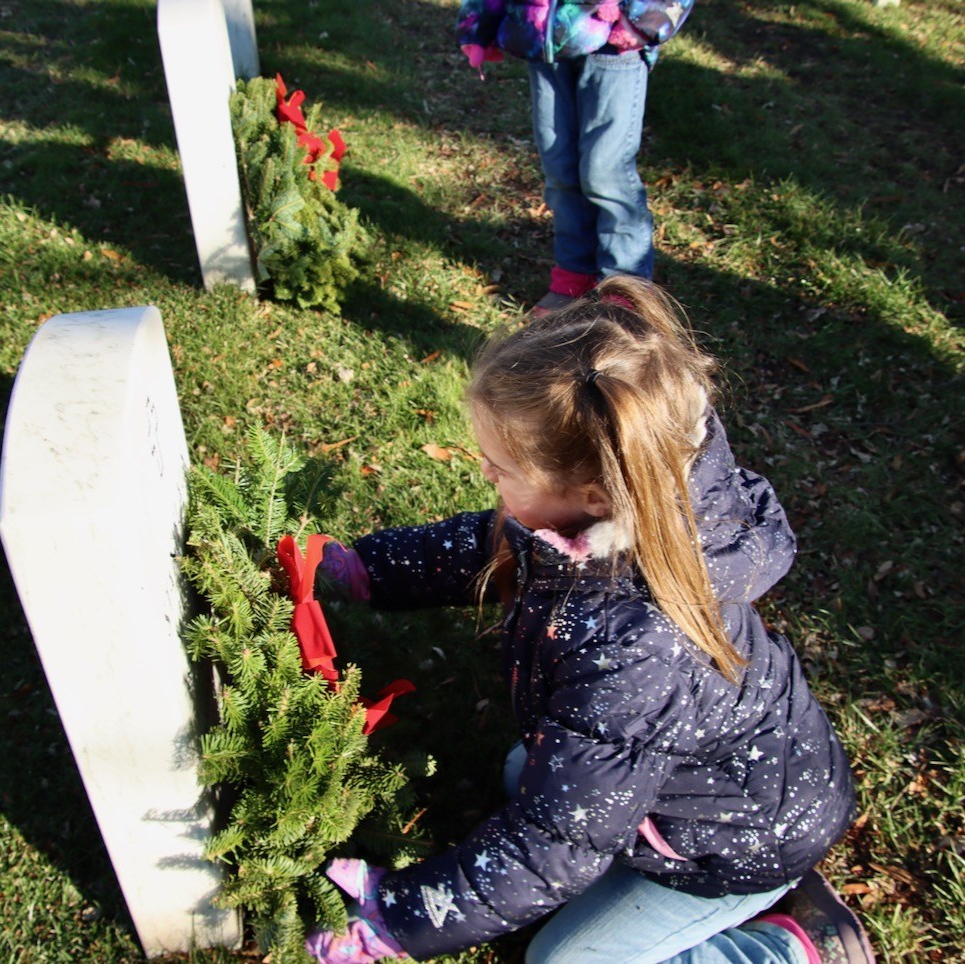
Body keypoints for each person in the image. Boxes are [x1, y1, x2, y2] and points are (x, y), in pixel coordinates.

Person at [305, 276, 869, 963]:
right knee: (526, 773)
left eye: (500, 468)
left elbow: (555, 846)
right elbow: (490, 547)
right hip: (700, 790)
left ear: (594, 492)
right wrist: (368, 570)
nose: (486, 474)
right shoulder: (609, 510)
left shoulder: (638, 650)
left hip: (734, 844)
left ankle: (790, 945)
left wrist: (398, 922)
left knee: (563, 960)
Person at [456, 0, 695, 314]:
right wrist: (478, 24)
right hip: (542, 41)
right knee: (559, 167)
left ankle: (625, 289)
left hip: (615, 45)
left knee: (605, 171)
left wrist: (640, 22)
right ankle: (574, 276)